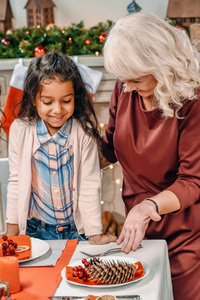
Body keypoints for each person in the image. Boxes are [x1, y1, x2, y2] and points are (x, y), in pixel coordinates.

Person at [100, 12, 200, 300]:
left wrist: (146, 208)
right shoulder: (125, 87)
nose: (126, 87)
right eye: (123, 79)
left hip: (184, 236)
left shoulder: (193, 100)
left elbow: (192, 180)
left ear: (161, 66)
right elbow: (109, 145)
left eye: (134, 79)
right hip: (137, 234)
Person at [5, 51, 117, 245]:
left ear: (75, 97)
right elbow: (16, 182)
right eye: (48, 102)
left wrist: (94, 233)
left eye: (66, 101)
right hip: (34, 231)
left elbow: (89, 185)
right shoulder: (20, 130)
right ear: (33, 99)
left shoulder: (83, 133)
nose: (57, 110)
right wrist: (11, 234)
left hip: (76, 231)